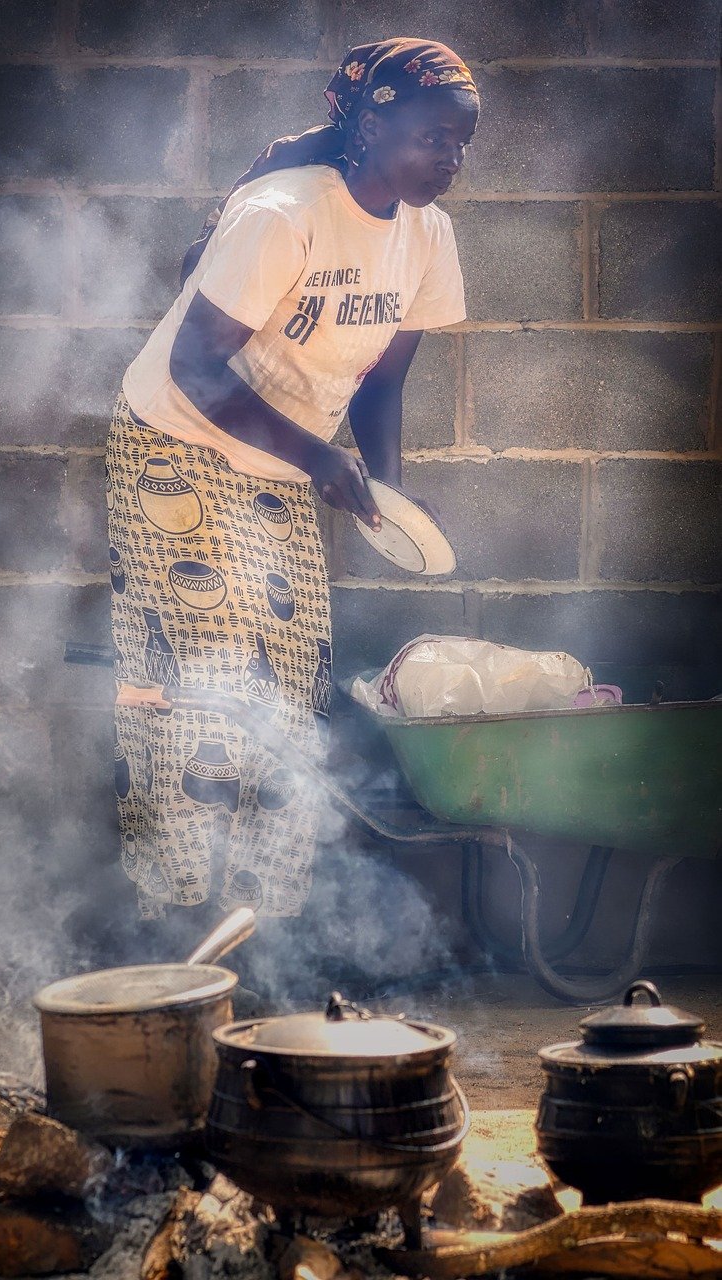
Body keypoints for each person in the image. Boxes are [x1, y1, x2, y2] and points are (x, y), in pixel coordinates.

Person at [107, 37, 479, 926]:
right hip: (177, 441)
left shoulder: (427, 231)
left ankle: (260, 927)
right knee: (202, 680)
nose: (448, 160)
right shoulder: (283, 213)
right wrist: (322, 461)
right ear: (371, 120)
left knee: (290, 684)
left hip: (280, 454)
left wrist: (380, 492)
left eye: (461, 145)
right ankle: (171, 914)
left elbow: (383, 380)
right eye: (433, 137)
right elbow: (198, 370)